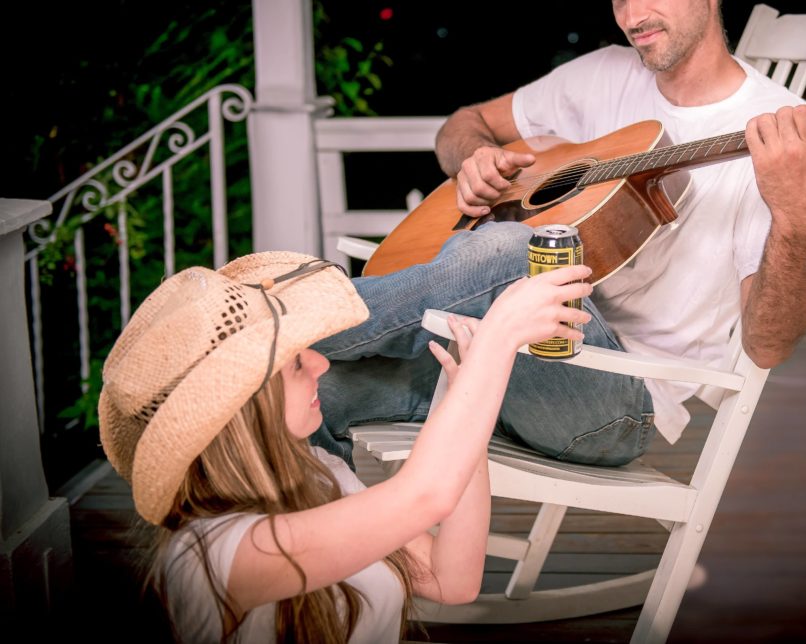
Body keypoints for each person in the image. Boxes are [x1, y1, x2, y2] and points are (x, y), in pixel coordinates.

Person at [311, 0, 806, 468]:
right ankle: (344, 550)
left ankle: (286, 322)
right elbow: (465, 123)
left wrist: (798, 217)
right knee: (303, 396)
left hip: (611, 400)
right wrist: (474, 159)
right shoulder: (604, 74)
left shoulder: (772, 135)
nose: (632, 17)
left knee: (525, 251)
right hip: (500, 357)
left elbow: (769, 345)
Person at [97, 250, 592, 642]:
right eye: (295, 362)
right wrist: (498, 339)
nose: (321, 365)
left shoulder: (320, 471)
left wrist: (460, 401)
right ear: (246, 405)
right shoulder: (211, 555)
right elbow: (425, 496)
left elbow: (451, 580)